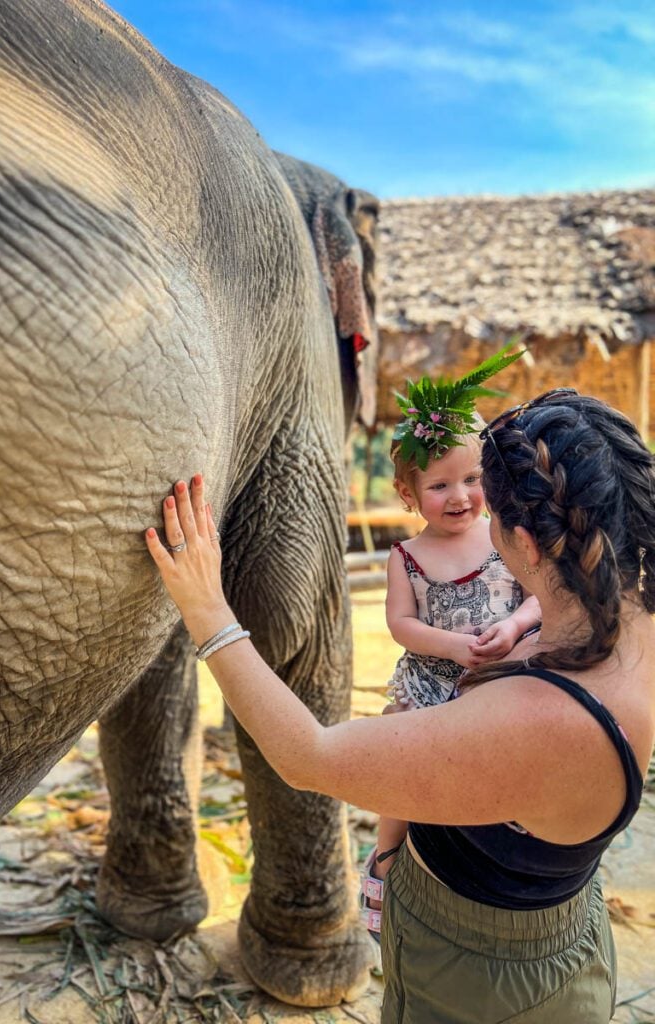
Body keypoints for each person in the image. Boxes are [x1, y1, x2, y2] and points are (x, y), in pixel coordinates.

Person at [145, 386, 655, 1024]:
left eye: (488, 501)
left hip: (479, 985)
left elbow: (308, 757)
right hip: (564, 943)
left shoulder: (541, 718)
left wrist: (206, 609)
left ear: (523, 545)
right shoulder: (635, 624)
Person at [363, 356, 542, 950]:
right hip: (429, 683)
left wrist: (514, 626)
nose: (460, 496)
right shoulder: (406, 556)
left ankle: (507, 847)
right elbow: (401, 624)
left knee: (503, 761)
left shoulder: (507, 536)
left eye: (471, 479)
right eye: (439, 486)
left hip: (503, 676)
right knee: (402, 763)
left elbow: (541, 598)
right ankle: (386, 859)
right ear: (408, 493)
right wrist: (455, 646)